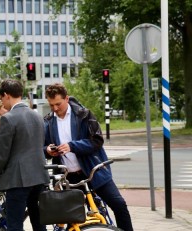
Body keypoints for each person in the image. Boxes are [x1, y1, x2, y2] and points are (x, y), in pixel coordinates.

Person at [43, 83, 133, 231]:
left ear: (66, 98)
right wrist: (47, 150)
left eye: (58, 104)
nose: (55, 109)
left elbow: (97, 141)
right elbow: (42, 147)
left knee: (119, 205)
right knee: (66, 219)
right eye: (51, 105)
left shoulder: (84, 115)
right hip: (67, 178)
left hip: (93, 172)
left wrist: (73, 146)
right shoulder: (47, 121)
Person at [0, 79, 49, 231]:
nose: (1, 102)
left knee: (14, 225)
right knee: (39, 224)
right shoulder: (37, 116)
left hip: (18, 180)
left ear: (6, 95)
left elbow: (2, 155)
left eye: (1, 98)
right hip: (39, 177)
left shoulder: (8, 118)